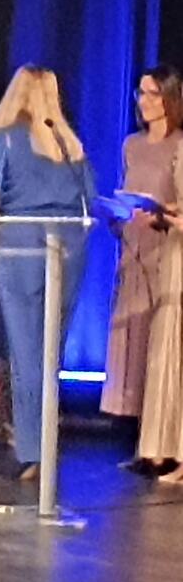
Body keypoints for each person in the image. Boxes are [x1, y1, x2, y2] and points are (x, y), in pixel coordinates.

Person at [0, 65, 94, 480]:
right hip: (69, 245)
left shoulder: (5, 140)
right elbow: (90, 200)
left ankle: (34, 448)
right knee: (50, 350)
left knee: (24, 349)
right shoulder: (70, 145)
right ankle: (44, 443)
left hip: (22, 241)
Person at [101, 66, 183, 475]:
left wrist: (160, 217)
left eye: (152, 93)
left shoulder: (178, 146)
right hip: (134, 252)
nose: (144, 101)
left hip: (167, 256)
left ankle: (165, 446)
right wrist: (118, 217)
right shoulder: (132, 145)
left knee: (162, 349)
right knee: (133, 349)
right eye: (141, 93)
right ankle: (146, 445)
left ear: (169, 98)